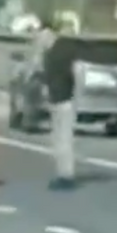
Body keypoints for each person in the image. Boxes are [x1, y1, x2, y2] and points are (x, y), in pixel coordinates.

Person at [41, 26, 78, 190]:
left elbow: (72, 75)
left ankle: (66, 176)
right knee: (58, 139)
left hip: (64, 100)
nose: (41, 42)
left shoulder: (61, 53)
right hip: (56, 100)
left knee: (63, 139)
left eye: (42, 39)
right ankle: (62, 173)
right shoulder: (49, 54)